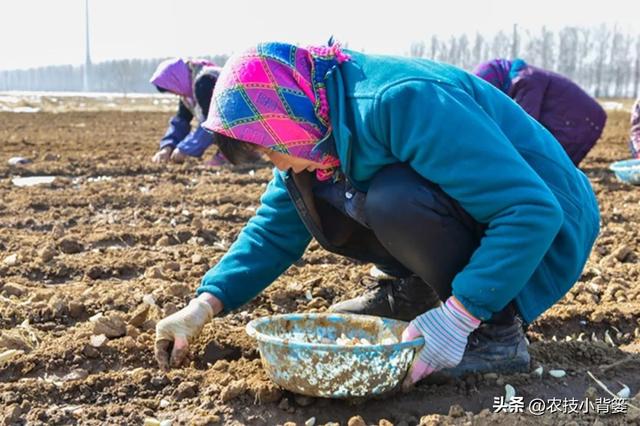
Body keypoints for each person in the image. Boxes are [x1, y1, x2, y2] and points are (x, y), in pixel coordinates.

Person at [154, 42, 600, 388]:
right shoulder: (316, 123)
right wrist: (201, 308)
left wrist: (458, 320)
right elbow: (273, 233)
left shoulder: (399, 101)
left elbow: (530, 211)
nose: (280, 166)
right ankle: (419, 291)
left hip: (551, 230)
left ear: (283, 121)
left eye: (272, 151)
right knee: (316, 198)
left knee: (392, 200)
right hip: (499, 221)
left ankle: (496, 333)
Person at [473, 58, 607, 166]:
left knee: (551, 171)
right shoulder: (522, 77)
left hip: (583, 123)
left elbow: (524, 127)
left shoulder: (526, 80)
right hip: (579, 121)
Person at [149, 58, 226, 165]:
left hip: (248, 125)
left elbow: (214, 122)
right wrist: (167, 147)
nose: (175, 93)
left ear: (176, 80)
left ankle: (239, 153)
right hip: (239, 129)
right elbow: (181, 121)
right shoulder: (189, 91)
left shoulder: (205, 82)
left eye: (171, 88)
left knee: (216, 165)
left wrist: (185, 149)